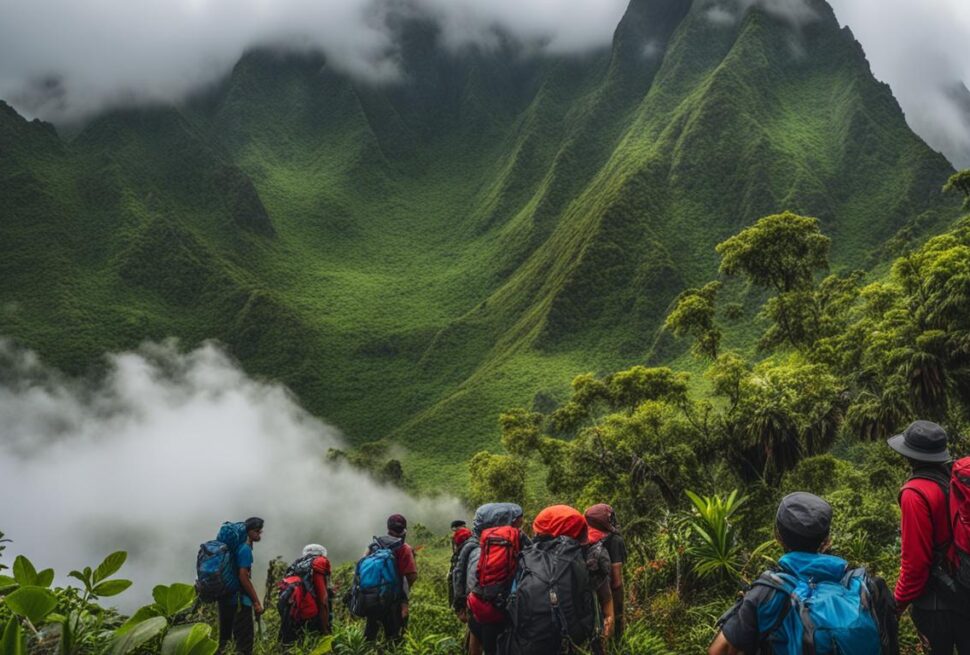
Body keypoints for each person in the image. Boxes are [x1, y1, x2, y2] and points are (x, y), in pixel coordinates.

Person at [709, 493, 897, 655]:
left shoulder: (768, 593)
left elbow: (719, 651)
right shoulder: (868, 586)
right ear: (827, 541)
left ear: (778, 537)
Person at [888, 420, 970, 653]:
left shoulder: (915, 493)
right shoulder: (954, 481)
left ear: (909, 455)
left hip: (936, 604)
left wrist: (897, 605)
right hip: (965, 589)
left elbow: (915, 565)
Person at [501, 504, 597, 655]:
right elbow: (586, 605)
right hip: (569, 641)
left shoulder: (526, 556)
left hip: (527, 642)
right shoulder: (576, 557)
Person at [453, 503, 526, 655]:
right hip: (499, 614)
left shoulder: (472, 546)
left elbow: (460, 575)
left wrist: (462, 605)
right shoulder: (498, 547)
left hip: (478, 611)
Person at [363, 513, 418, 644]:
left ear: (388, 528)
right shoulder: (404, 548)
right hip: (394, 600)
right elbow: (412, 575)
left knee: (370, 635)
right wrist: (402, 593)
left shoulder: (373, 545)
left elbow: (362, 566)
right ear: (404, 530)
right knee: (394, 638)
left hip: (372, 598)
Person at [218, 517, 264, 655]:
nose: (259, 534)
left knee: (224, 640)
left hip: (225, 597)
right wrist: (256, 601)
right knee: (244, 644)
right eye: (257, 531)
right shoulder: (244, 549)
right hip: (240, 601)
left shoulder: (235, 548)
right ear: (249, 532)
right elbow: (243, 576)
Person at [585, 504, 626, 640]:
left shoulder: (582, 538)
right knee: (609, 623)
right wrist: (619, 614)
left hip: (585, 594)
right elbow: (617, 582)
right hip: (606, 592)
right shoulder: (615, 540)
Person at [278, 544, 332, 645]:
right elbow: (323, 600)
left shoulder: (296, 565)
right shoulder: (318, 565)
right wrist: (325, 629)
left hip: (292, 615)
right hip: (310, 615)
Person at [584, 518, 617, 653]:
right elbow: (607, 596)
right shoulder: (599, 544)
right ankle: (604, 645)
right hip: (598, 587)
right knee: (605, 607)